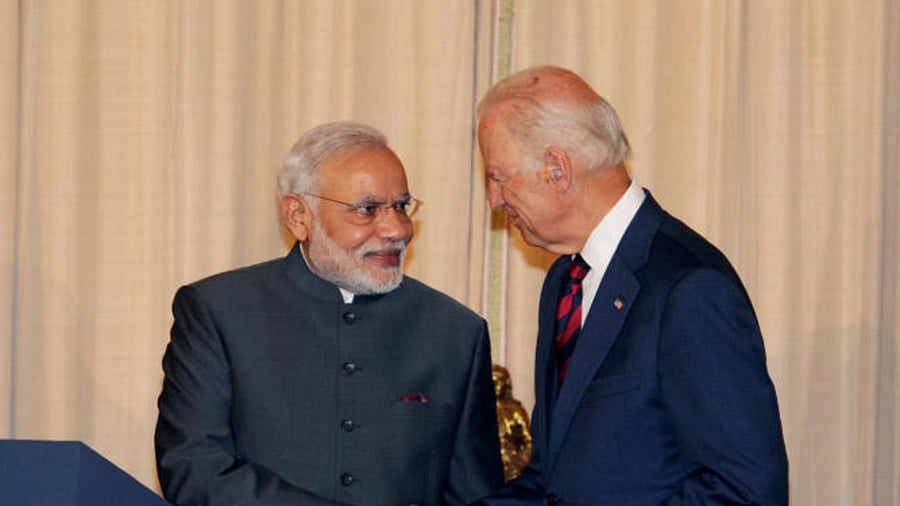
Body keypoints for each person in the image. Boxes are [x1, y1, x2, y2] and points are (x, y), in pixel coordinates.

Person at [474, 66, 789, 505]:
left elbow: (745, 492)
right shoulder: (565, 281)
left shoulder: (689, 288)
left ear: (556, 168)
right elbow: (552, 482)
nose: (493, 199)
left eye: (499, 177)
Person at [155, 121, 504, 505]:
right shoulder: (218, 312)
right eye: (367, 210)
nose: (395, 229)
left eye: (401, 206)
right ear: (298, 216)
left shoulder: (455, 332)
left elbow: (475, 494)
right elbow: (194, 468)